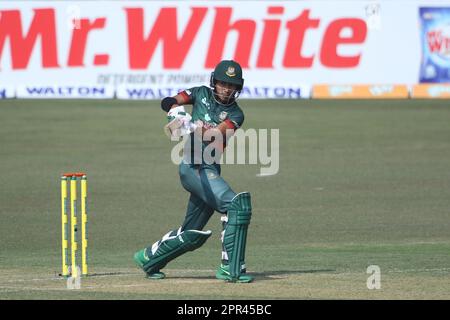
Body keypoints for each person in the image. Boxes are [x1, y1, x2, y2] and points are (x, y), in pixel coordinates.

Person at [133, 60, 253, 283]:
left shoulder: (236, 114)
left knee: (191, 232)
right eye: (222, 83)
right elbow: (171, 101)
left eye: (232, 85)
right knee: (237, 205)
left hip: (210, 169)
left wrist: (192, 126)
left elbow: (215, 135)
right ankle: (231, 268)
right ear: (214, 82)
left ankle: (149, 259)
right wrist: (175, 112)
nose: (226, 88)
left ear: (238, 88)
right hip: (192, 167)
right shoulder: (200, 93)